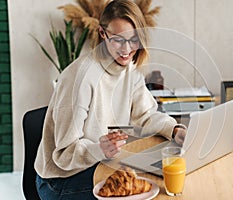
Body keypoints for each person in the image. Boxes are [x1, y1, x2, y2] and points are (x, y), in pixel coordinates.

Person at [35, 0, 186, 199]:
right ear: (102, 34)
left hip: (98, 163)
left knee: (165, 178)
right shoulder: (80, 78)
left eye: (133, 39)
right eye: (118, 39)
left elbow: (146, 115)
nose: (126, 49)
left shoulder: (128, 69)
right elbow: (63, 154)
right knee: (152, 189)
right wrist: (99, 149)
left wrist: (174, 130)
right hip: (61, 180)